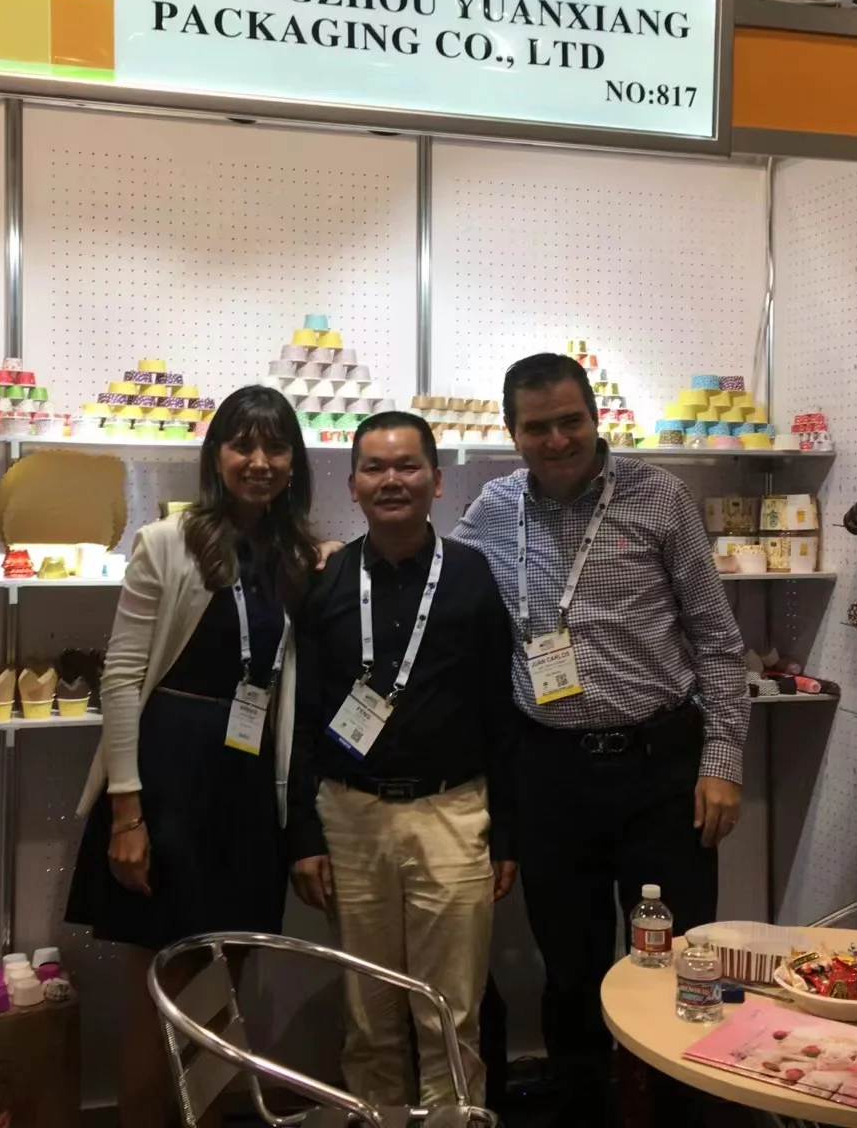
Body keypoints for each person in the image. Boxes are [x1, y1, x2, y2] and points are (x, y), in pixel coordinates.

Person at [453, 353, 750, 1128]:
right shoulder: (492, 509)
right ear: (512, 432)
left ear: (595, 417)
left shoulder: (661, 497)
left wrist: (722, 762)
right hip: (550, 776)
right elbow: (441, 587)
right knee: (570, 971)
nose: (557, 441)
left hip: (663, 772)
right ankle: (583, 1112)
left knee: (679, 962)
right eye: (537, 427)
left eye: (570, 421)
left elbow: (717, 641)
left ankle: (681, 1117)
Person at [65, 385, 320, 1128]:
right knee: (167, 984)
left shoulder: (293, 556)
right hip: (170, 775)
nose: (260, 461)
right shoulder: (166, 543)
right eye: (243, 444)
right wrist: (127, 812)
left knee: (224, 983)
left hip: (248, 780)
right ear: (216, 456)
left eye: (276, 447)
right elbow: (121, 677)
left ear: (295, 462)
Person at [288, 410, 517, 1110]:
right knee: (368, 1020)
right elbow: (302, 716)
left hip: (452, 813)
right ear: (353, 484)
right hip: (349, 815)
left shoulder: (472, 575)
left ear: (437, 481)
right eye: (375, 467)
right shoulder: (326, 579)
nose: (392, 480)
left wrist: (507, 834)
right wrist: (303, 835)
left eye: (408, 466)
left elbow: (499, 712)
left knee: (451, 1016)